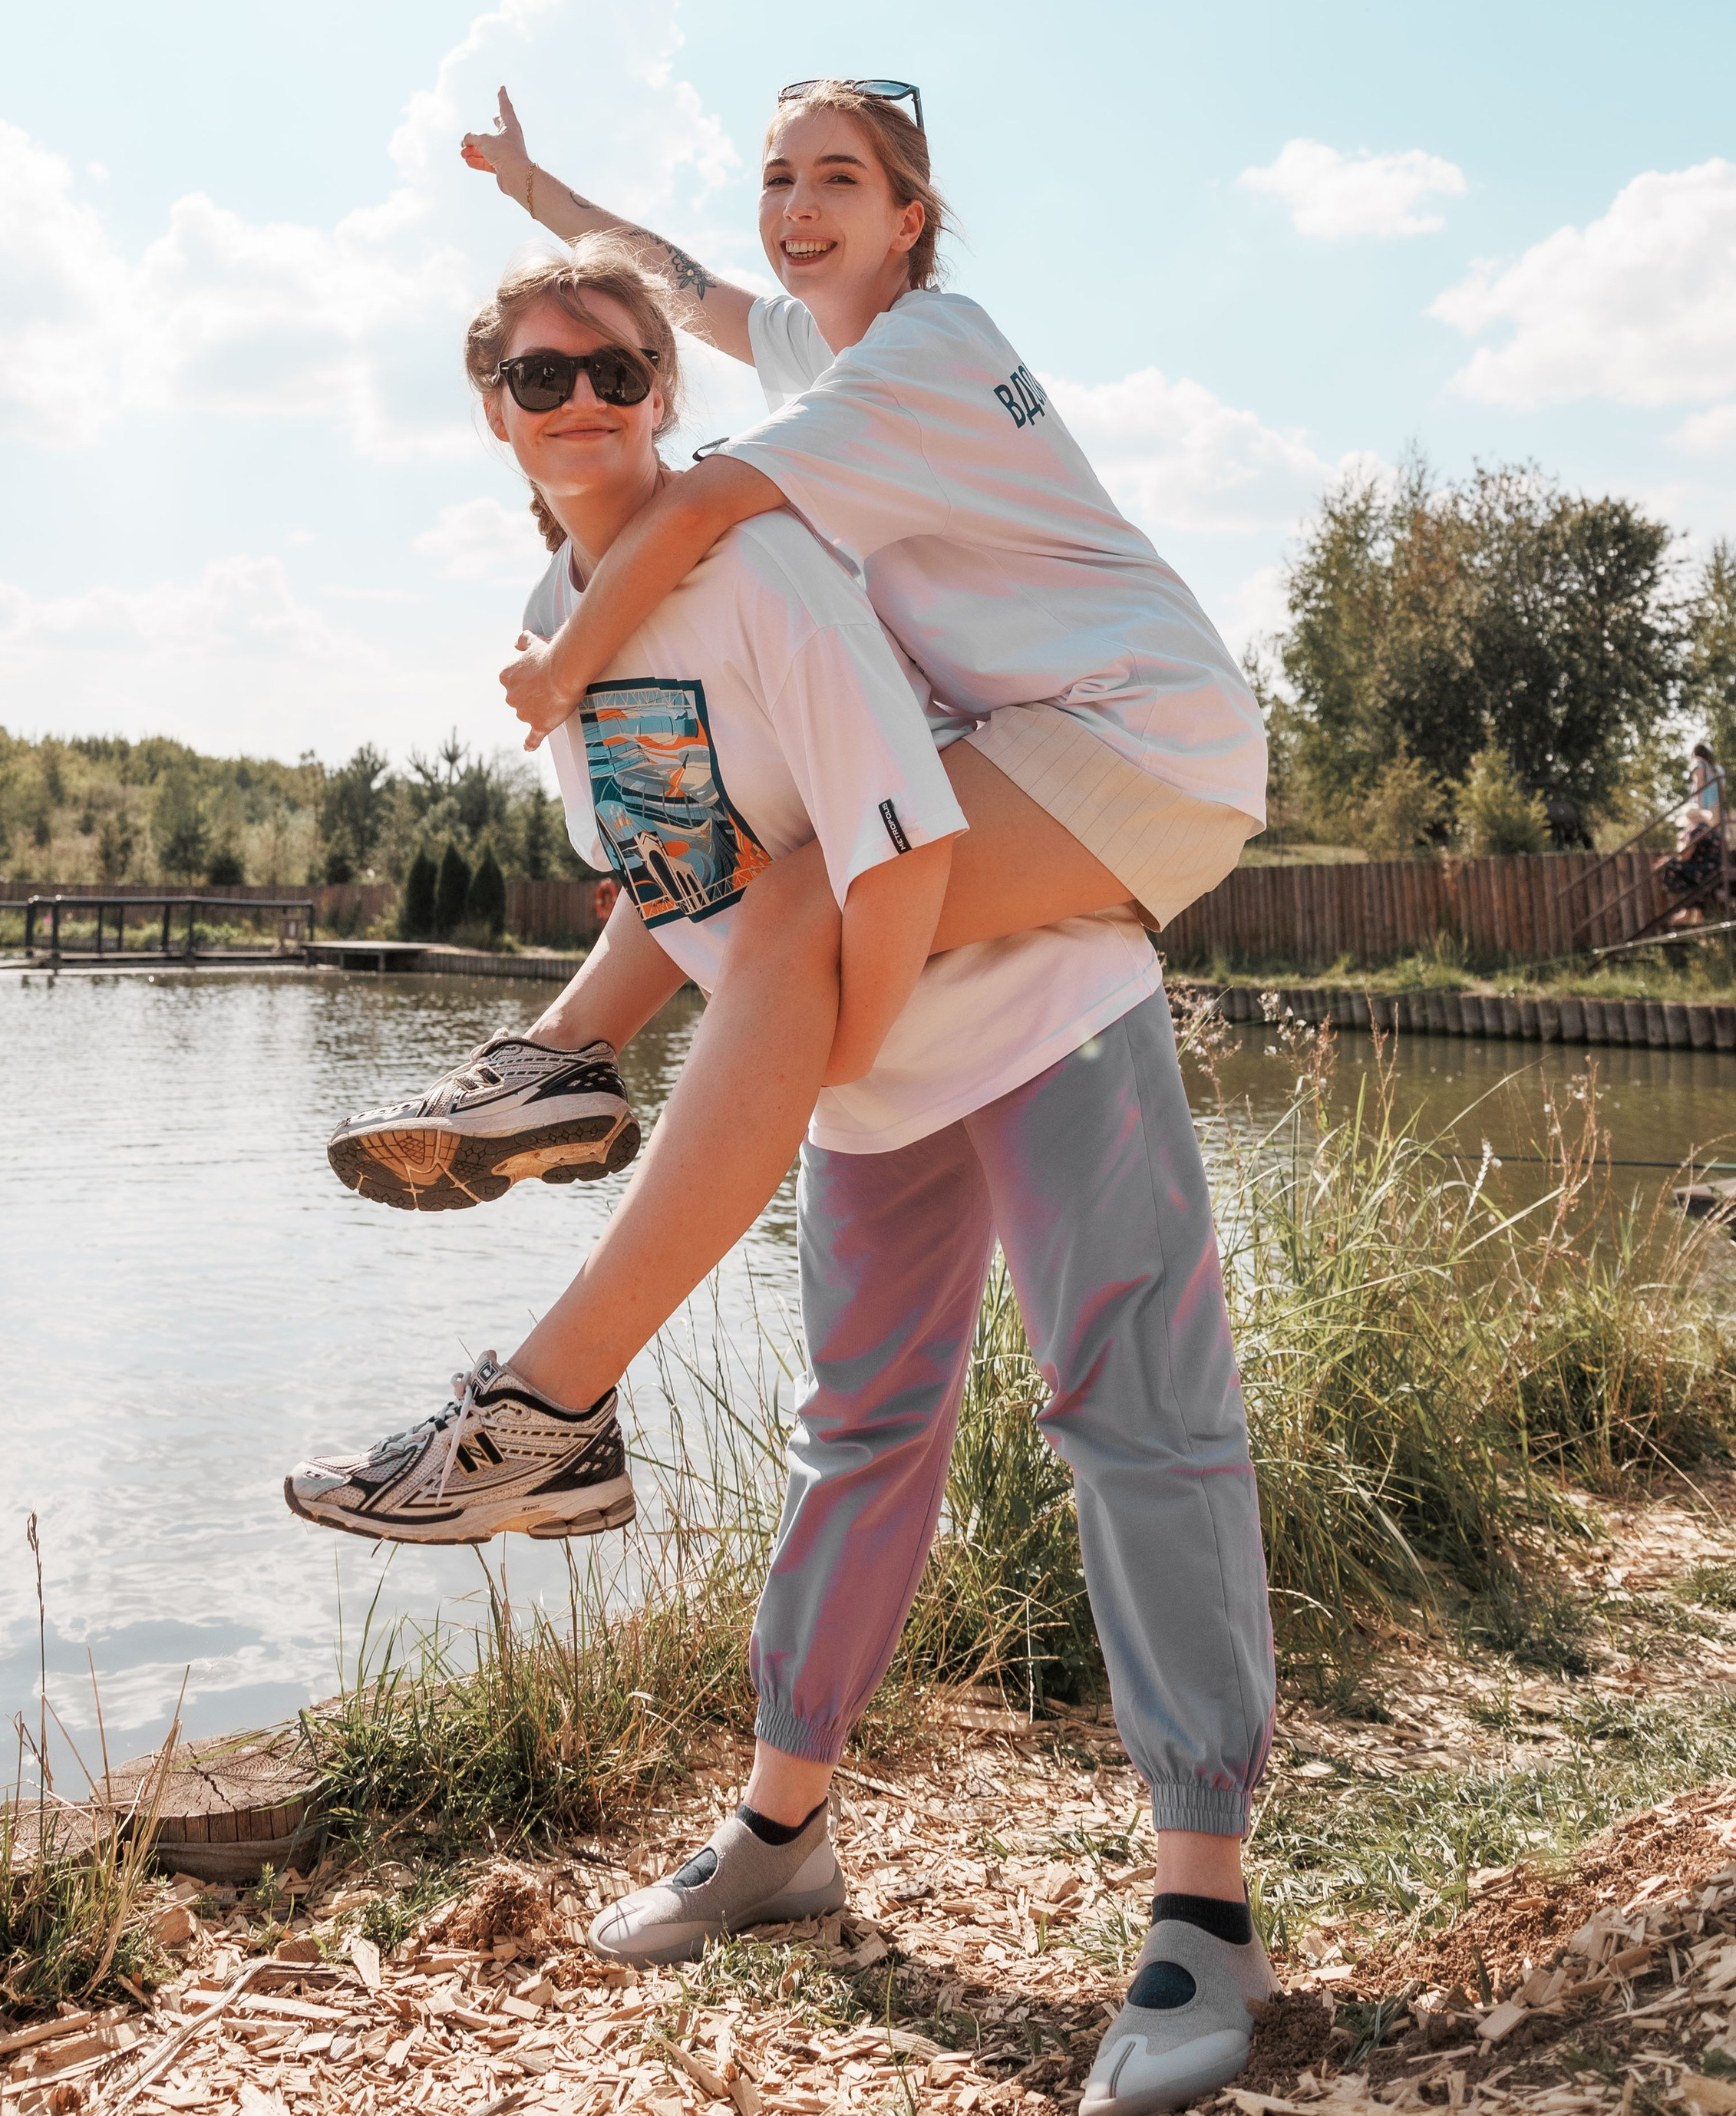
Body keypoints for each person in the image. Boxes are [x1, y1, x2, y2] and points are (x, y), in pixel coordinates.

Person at [287, 250, 1279, 2116]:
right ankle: (778, 1833)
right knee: (859, 1433)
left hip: (1034, 1004)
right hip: (846, 1065)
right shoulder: (558, 609)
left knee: (1135, 1418)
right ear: (488, 407)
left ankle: (1203, 1906)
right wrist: (647, 1036)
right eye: (533, 374)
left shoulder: (761, 570)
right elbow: (691, 884)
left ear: (667, 392)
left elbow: (885, 867)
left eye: (612, 370)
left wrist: (788, 1063)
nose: (576, 399)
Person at [320, 78, 1266, 1451]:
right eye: (778, 179)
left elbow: (704, 501)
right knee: (757, 838)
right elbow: (675, 277)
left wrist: (567, 663)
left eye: (838, 178)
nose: (799, 206)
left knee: (804, 907)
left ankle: (548, 1396)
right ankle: (563, 1058)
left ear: (909, 219)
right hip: (1036, 730)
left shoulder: (923, 348)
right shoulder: (814, 352)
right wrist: (537, 197)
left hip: (1138, 737)